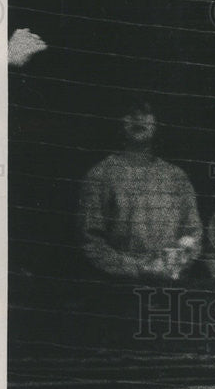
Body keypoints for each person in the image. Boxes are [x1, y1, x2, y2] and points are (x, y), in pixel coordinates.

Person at [78, 98, 202, 280]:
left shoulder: (177, 177)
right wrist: (138, 269)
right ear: (119, 121)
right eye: (131, 112)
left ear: (157, 122)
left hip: (170, 284)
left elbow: (193, 233)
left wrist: (172, 264)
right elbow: (91, 241)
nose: (139, 118)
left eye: (146, 112)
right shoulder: (100, 175)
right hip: (120, 288)